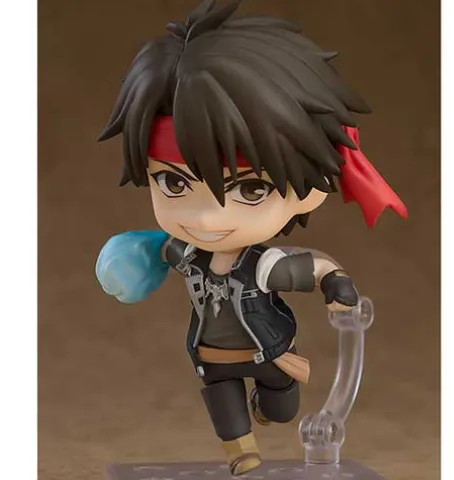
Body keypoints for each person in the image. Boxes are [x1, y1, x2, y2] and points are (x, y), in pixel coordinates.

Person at [95, 0, 407, 475]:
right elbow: (158, 250)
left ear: (308, 192)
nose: (207, 217)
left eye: (250, 190)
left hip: (270, 355)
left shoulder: (262, 266)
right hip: (210, 357)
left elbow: (314, 268)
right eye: (174, 183)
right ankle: (242, 455)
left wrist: (338, 288)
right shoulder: (186, 253)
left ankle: (272, 401)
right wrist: (133, 255)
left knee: (281, 409)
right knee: (228, 419)